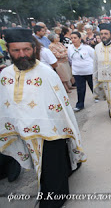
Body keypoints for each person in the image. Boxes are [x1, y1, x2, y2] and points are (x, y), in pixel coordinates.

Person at [0, 28, 86, 207]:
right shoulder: (5, 75)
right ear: (8, 50)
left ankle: (56, 198)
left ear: (34, 48)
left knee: (52, 166)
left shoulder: (46, 73)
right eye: (16, 50)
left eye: (26, 49)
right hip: (24, 131)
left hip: (51, 131)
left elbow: (61, 106)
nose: (22, 54)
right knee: (41, 167)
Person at [68, 31, 94, 112]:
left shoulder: (87, 48)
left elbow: (94, 57)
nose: (73, 40)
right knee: (80, 89)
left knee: (93, 85)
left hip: (89, 70)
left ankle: (97, 97)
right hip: (77, 72)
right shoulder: (70, 48)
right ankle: (80, 105)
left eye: (75, 38)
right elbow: (70, 59)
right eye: (71, 38)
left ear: (80, 39)